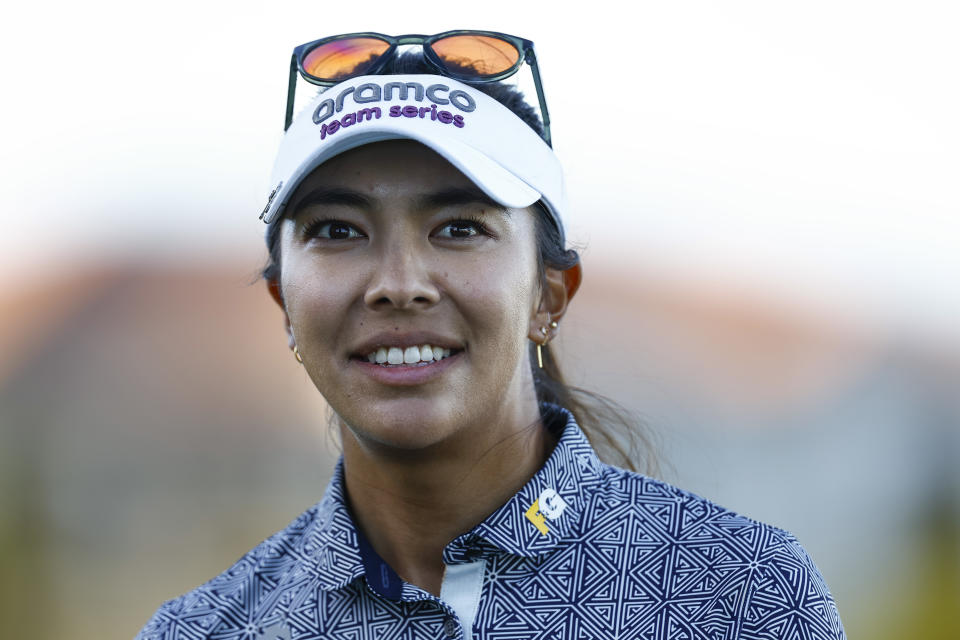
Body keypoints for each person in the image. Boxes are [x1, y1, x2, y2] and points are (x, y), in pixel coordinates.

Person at [136, 31, 845, 639]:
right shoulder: (207, 629)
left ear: (548, 295)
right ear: (283, 304)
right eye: (337, 230)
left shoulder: (737, 595)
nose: (399, 282)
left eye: (459, 228)